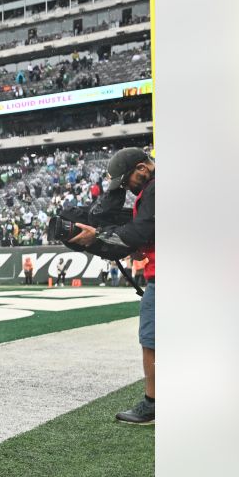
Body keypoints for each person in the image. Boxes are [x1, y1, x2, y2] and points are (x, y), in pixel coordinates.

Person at [67, 147, 155, 424]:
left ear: (142, 168)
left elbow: (140, 231)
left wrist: (97, 239)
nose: (126, 187)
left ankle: (153, 403)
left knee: (151, 341)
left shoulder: (155, 189)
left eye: (127, 180)